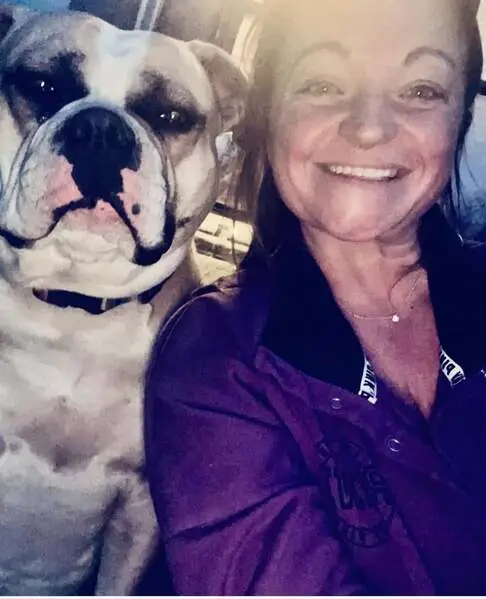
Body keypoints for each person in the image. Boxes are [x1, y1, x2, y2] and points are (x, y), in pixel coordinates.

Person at [144, 0, 486, 594]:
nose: (369, 127)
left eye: (421, 90)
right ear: (268, 114)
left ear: (459, 121)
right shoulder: (219, 358)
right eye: (324, 84)